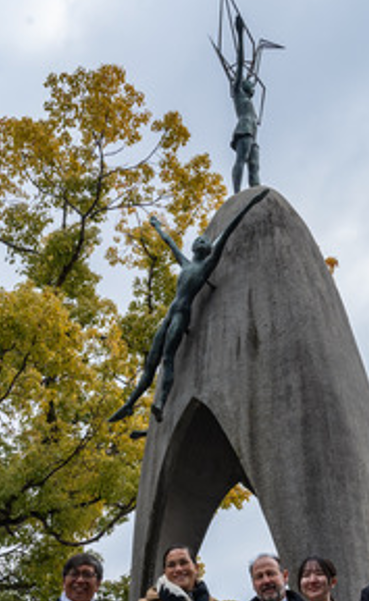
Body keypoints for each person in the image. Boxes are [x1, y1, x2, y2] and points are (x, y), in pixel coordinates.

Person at [108, 188, 270, 424]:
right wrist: (157, 227)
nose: (202, 240)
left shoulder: (207, 266)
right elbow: (169, 243)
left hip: (181, 315)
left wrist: (250, 203)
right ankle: (130, 404)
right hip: (169, 314)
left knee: (168, 357)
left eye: (205, 241)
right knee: (150, 362)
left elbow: (228, 231)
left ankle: (161, 402)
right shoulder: (185, 264)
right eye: (199, 239)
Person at [228, 14, 261, 194]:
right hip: (245, 127)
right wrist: (239, 34)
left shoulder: (249, 99)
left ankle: (255, 195)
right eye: (249, 81)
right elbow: (240, 62)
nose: (251, 82)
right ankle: (237, 193)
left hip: (253, 131)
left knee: (254, 165)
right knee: (242, 158)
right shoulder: (238, 92)